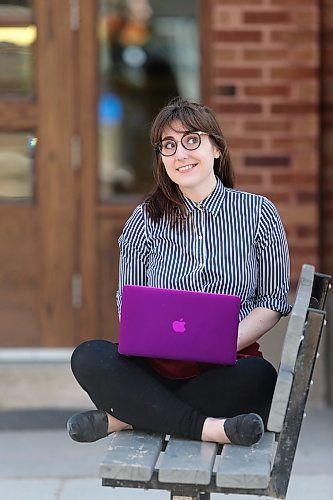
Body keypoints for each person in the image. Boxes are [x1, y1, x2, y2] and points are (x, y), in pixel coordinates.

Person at [67, 98, 291, 447]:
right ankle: (209, 428)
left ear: (216, 148)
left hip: (226, 366)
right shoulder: (145, 219)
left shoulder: (258, 213)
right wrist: (154, 338)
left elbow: (273, 300)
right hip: (155, 366)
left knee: (260, 377)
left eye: (191, 140)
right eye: (168, 146)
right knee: (89, 356)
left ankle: (126, 416)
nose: (179, 154)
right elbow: (128, 299)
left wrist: (220, 344)